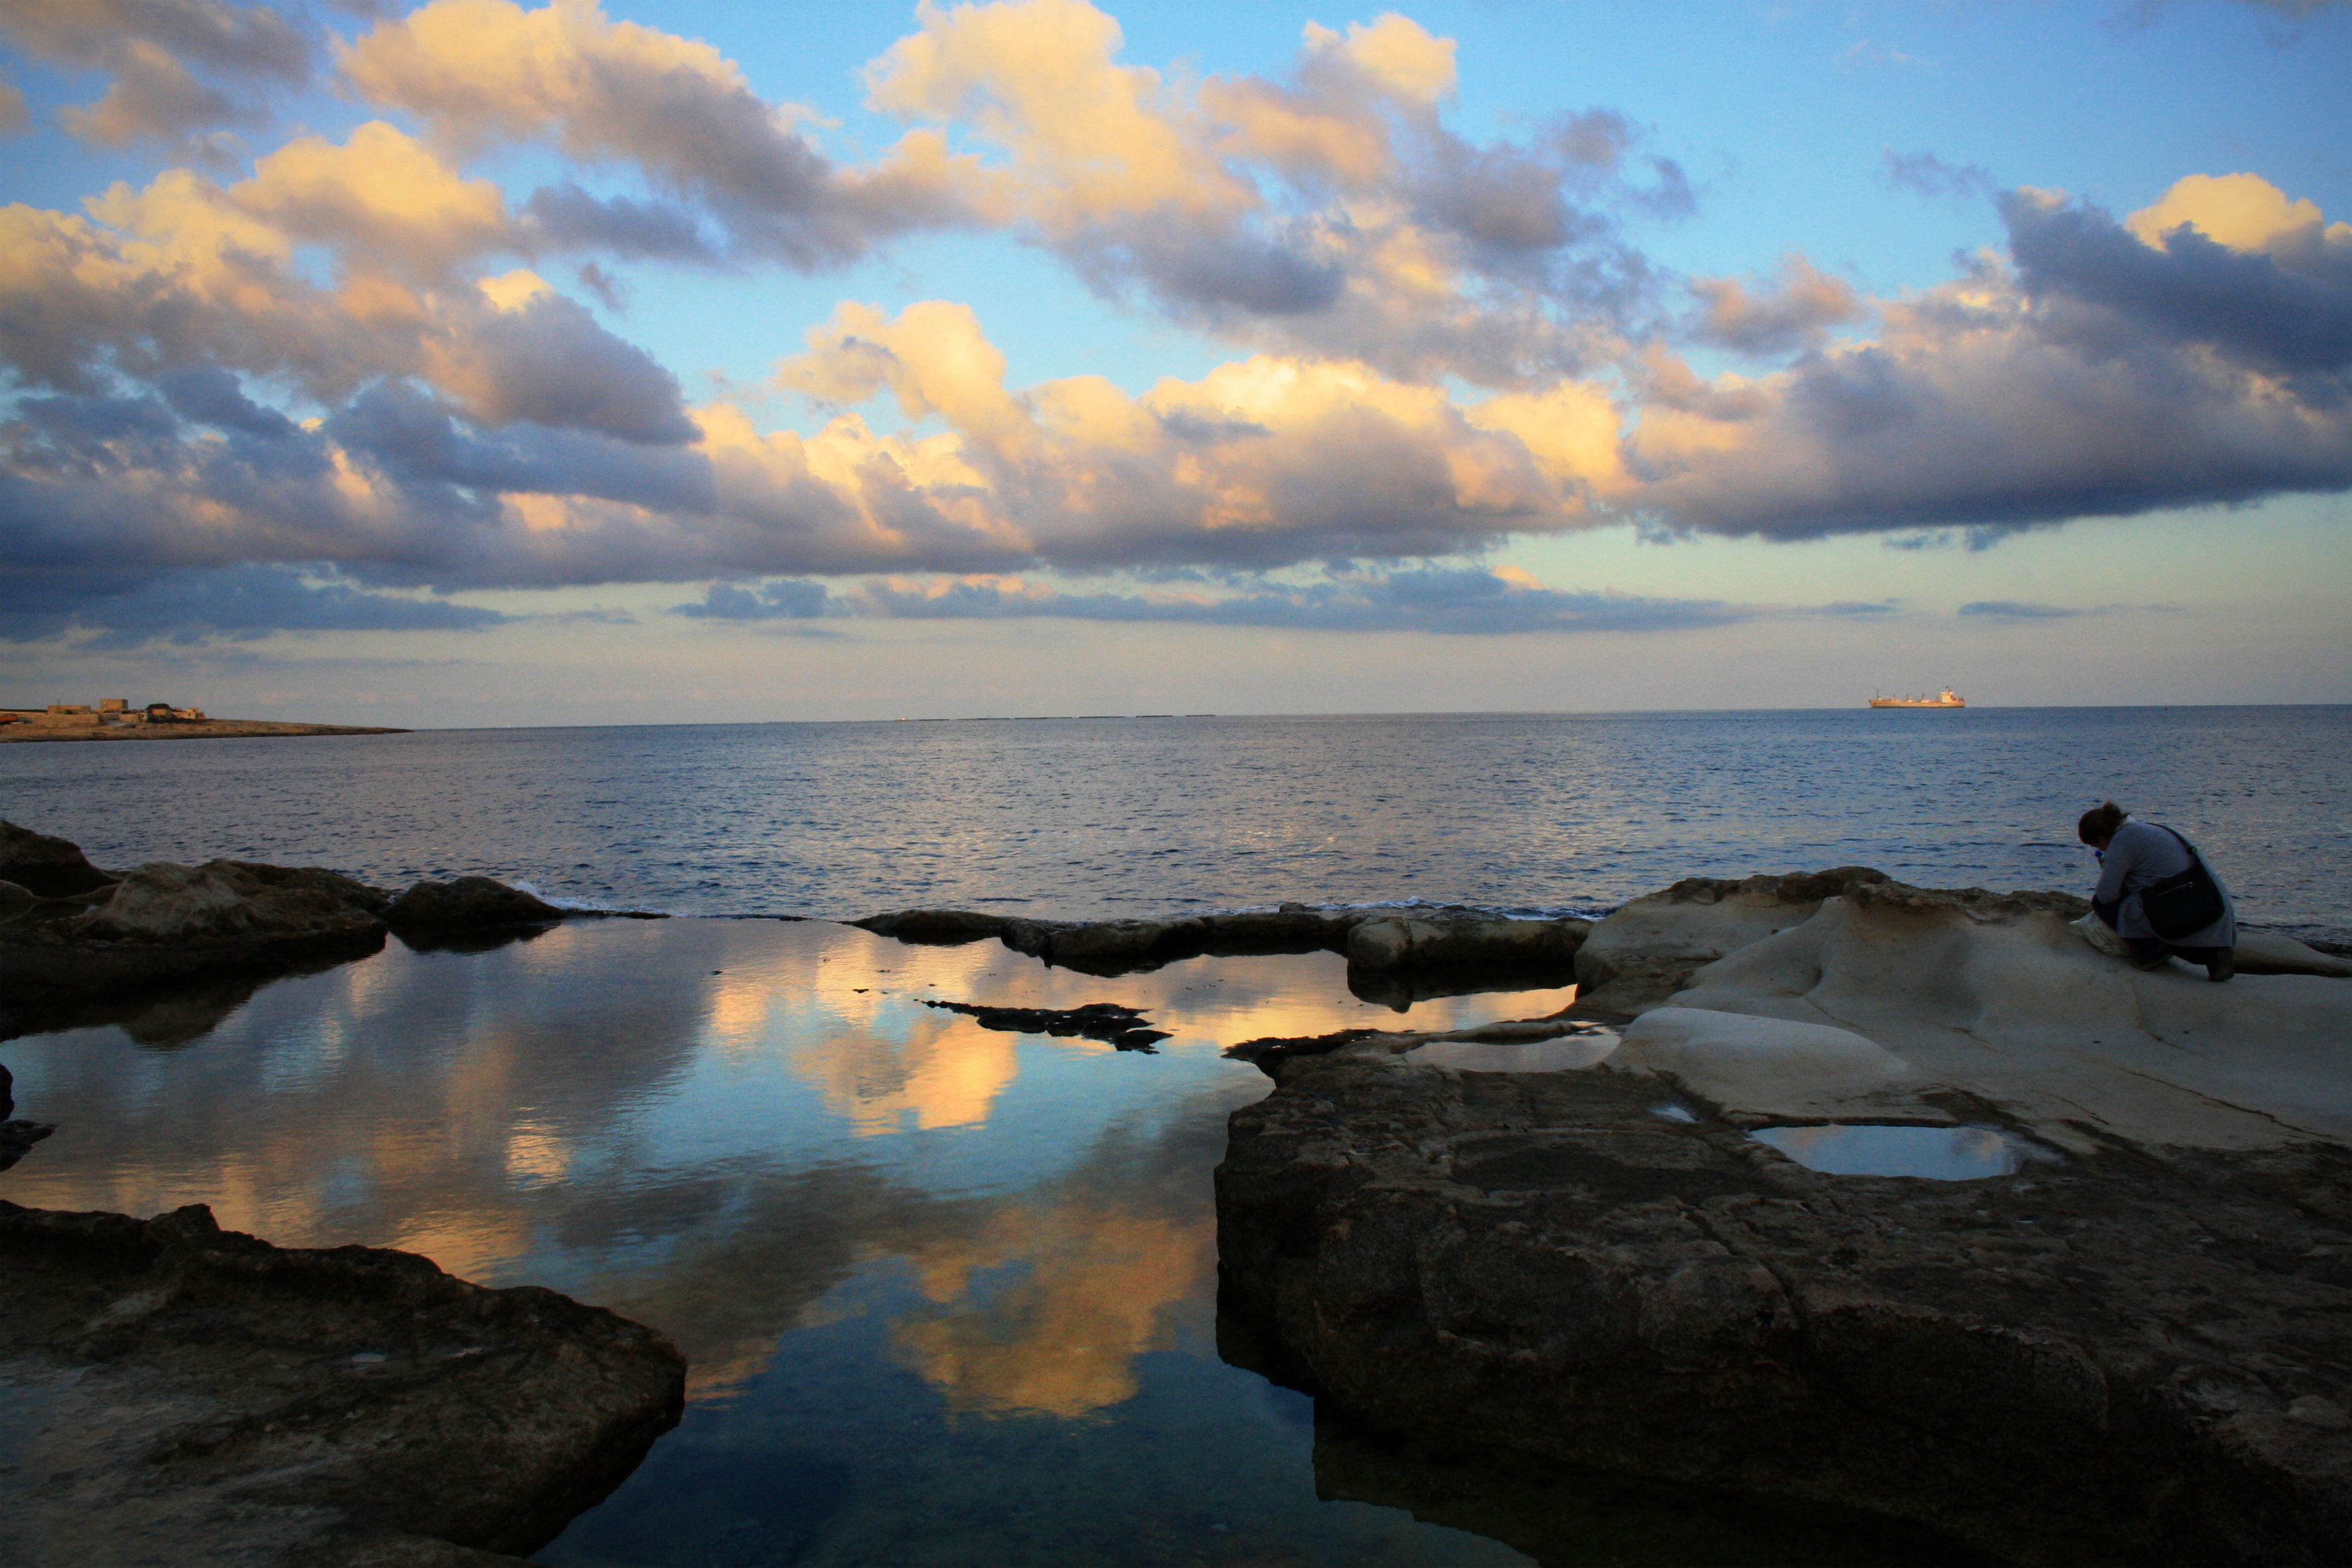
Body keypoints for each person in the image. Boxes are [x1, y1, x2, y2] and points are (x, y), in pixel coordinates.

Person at [2077, 801, 2236, 982]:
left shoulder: (2122, 841)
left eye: (2095, 845)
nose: (2098, 850)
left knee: (2101, 904)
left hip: (2183, 907)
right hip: (2210, 907)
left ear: (2102, 838)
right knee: (2168, 925)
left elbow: (2107, 895)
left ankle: (2152, 950)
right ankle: (2215, 956)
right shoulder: (2148, 829)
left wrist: (2108, 868)